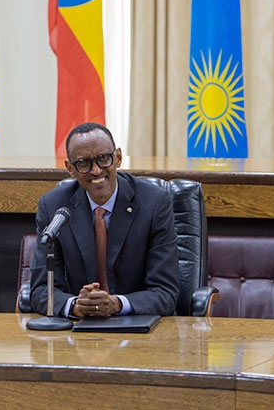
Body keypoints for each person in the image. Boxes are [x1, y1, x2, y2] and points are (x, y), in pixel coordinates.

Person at [29, 122, 179, 318]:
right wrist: (76, 305)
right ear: (70, 168)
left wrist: (116, 304)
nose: (96, 170)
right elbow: (41, 289)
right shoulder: (54, 206)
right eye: (84, 163)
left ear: (118, 158)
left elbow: (166, 292)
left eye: (103, 158)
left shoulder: (154, 203)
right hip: (79, 326)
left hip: (140, 324)